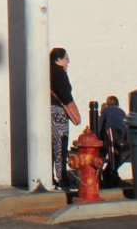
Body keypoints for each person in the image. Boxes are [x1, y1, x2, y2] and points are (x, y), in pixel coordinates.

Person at [49, 47, 81, 189]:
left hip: (49, 111)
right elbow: (65, 92)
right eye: (66, 59)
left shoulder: (47, 71)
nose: (68, 62)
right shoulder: (58, 73)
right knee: (61, 143)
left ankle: (51, 176)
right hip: (58, 111)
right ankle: (62, 177)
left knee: (51, 144)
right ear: (59, 60)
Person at [100, 95, 129, 181]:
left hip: (111, 128)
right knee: (116, 151)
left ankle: (112, 173)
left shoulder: (106, 110)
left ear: (107, 104)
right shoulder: (122, 111)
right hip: (122, 131)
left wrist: (100, 139)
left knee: (112, 151)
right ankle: (111, 172)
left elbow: (102, 125)